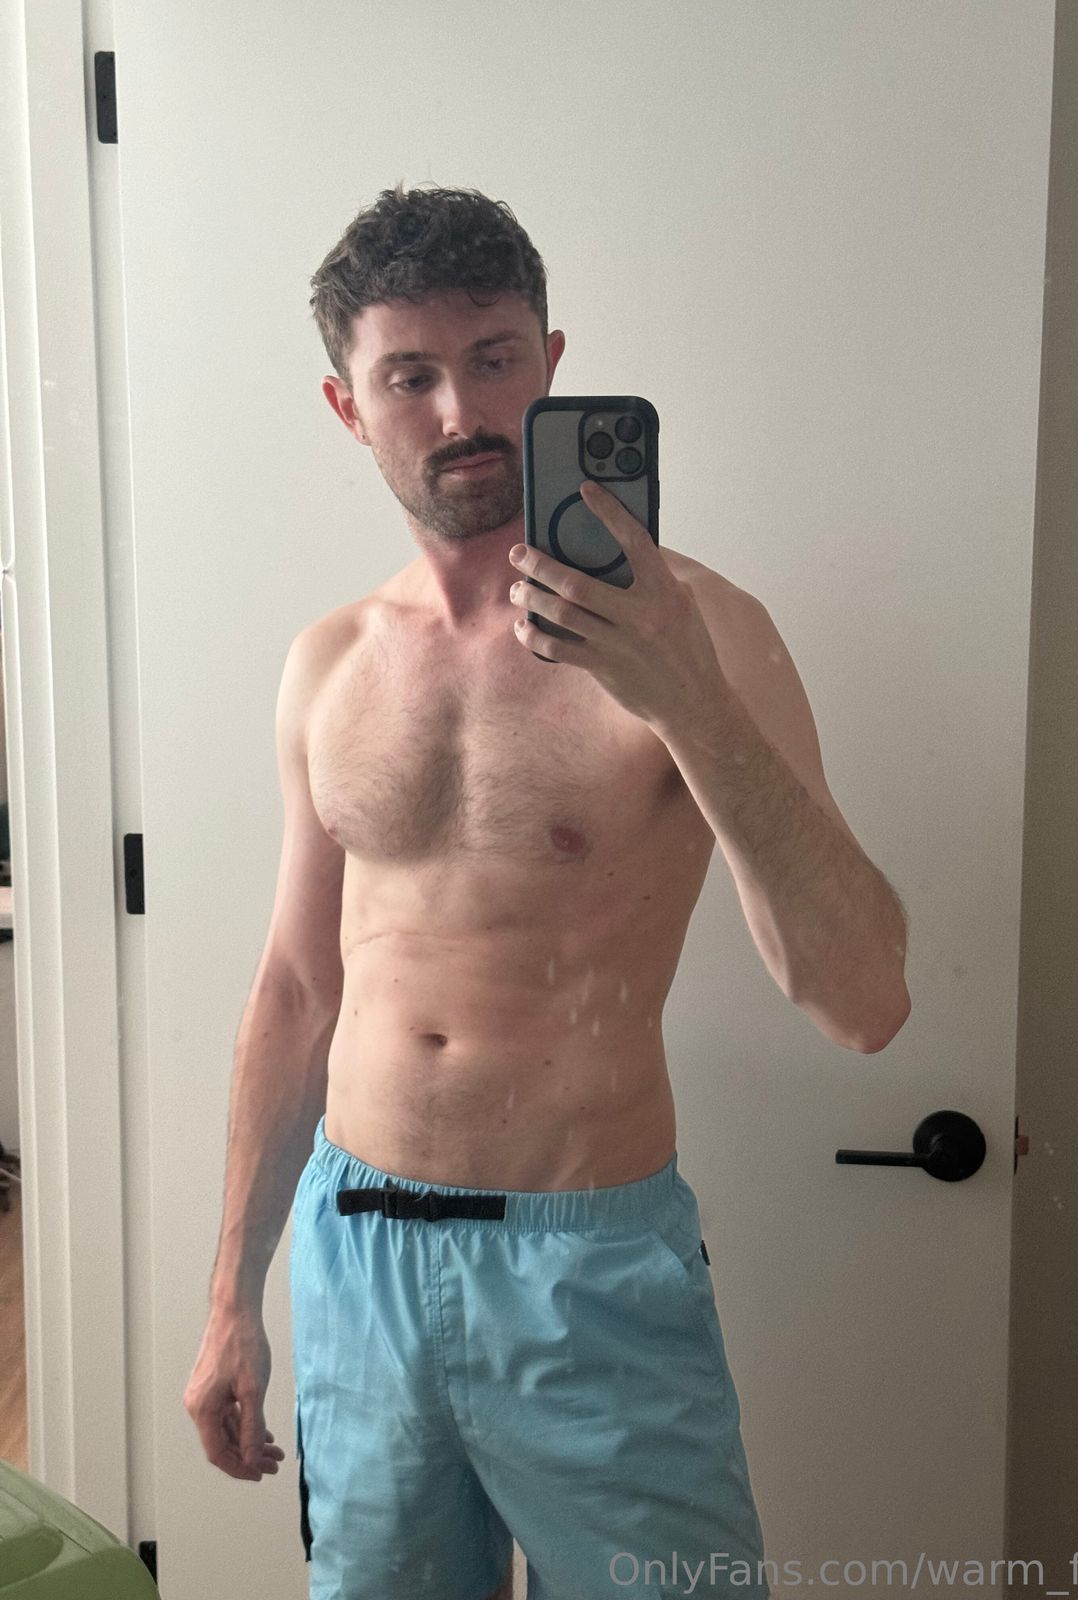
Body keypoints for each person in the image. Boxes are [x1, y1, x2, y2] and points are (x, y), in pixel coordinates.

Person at [183, 184, 910, 1600]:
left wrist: (687, 699)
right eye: (411, 375)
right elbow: (298, 990)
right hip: (357, 1258)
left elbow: (865, 999)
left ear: (555, 363)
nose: (463, 409)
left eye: (496, 357)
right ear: (348, 407)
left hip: (589, 1278)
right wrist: (230, 1299)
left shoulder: (705, 635)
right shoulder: (331, 661)